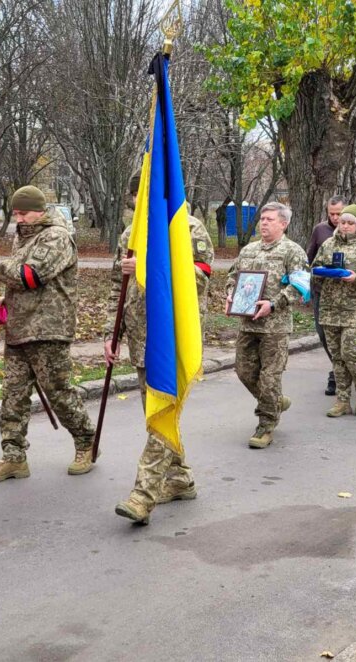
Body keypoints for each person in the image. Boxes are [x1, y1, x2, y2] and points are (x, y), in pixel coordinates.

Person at [0, 185, 97, 481]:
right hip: (19, 326)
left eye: (24, 212)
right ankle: (13, 456)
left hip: (48, 329)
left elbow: (32, 276)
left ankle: (85, 441)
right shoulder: (23, 236)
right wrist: (6, 299)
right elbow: (20, 280)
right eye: (15, 212)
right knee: (12, 395)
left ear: (40, 211)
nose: (19, 218)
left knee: (58, 392)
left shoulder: (56, 236)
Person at [107, 200, 214, 525]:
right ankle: (180, 478)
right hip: (141, 338)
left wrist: (145, 264)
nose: (143, 202)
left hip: (173, 339)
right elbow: (117, 288)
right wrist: (111, 334)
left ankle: (143, 495)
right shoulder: (130, 233)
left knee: (162, 412)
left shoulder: (187, 227)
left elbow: (199, 277)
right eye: (139, 197)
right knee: (157, 414)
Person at [227, 202, 309, 449]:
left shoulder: (293, 251)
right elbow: (233, 276)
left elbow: (300, 286)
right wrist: (231, 294)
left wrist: (273, 304)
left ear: (283, 224)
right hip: (248, 323)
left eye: (270, 219)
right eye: (262, 218)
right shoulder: (248, 250)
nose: (263, 223)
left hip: (275, 326)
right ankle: (274, 402)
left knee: (269, 377)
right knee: (243, 371)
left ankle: (266, 426)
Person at [311, 208, 356, 417]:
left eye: (350, 223)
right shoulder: (329, 244)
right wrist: (320, 273)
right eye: (342, 222)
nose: (344, 226)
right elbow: (315, 268)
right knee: (337, 356)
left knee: (350, 351)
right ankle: (342, 400)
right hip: (331, 307)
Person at [307, 195, 349, 396]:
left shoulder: (354, 230)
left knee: (343, 335)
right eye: (331, 214)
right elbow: (309, 260)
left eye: (338, 213)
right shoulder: (320, 230)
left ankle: (338, 374)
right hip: (321, 292)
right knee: (324, 334)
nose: (334, 217)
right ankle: (337, 367)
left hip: (346, 295)